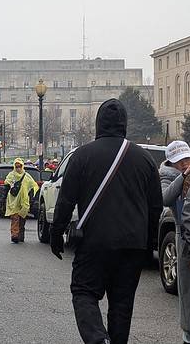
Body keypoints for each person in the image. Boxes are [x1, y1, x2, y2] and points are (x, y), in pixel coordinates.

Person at [50, 99, 163, 344]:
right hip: (133, 244)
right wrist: (150, 242)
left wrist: (56, 233)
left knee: (84, 292)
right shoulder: (144, 159)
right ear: (125, 124)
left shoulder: (82, 156)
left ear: (98, 123)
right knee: (122, 304)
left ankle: (97, 338)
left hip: (94, 241)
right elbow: (156, 206)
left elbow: (66, 200)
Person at [160, 140, 190, 344]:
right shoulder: (167, 176)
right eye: (178, 162)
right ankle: (188, 334)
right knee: (188, 292)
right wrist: (183, 176)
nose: (184, 163)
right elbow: (164, 198)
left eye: (186, 159)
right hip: (183, 237)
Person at [2, 158, 38, 243]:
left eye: (20, 166)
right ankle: (14, 235)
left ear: (22, 166)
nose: (18, 168)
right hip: (13, 200)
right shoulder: (11, 176)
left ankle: (20, 235)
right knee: (15, 218)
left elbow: (33, 187)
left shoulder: (27, 176)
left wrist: (31, 200)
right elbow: (6, 187)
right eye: (16, 166)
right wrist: (3, 200)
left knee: (22, 218)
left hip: (24, 201)